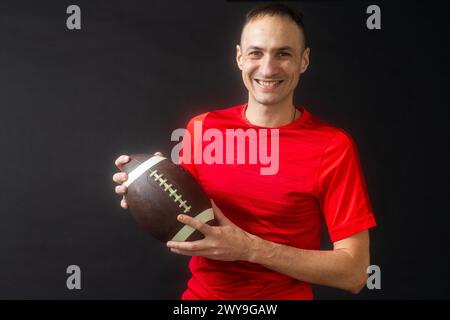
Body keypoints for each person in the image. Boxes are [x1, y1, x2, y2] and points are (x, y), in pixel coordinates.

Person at [113, 3, 376, 300]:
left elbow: (355, 273)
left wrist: (249, 248)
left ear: (304, 60)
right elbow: (182, 216)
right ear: (239, 57)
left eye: (283, 54)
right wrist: (142, 184)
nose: (267, 68)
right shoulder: (203, 129)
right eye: (256, 53)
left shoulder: (331, 146)